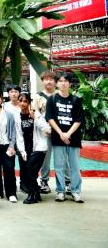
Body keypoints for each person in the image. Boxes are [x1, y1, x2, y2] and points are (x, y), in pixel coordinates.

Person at [46, 73, 85, 203]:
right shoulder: (52, 99)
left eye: (65, 81)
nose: (63, 83)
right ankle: (60, 191)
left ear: (70, 84)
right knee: (59, 166)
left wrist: (68, 134)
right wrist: (61, 133)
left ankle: (75, 191)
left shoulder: (76, 100)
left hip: (74, 138)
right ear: (57, 83)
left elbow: (79, 119)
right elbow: (50, 118)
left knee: (75, 166)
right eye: (61, 81)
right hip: (58, 138)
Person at [15, 92, 50, 205]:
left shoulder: (36, 114)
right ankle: (36, 193)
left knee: (30, 169)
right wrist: (22, 151)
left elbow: (47, 129)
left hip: (39, 148)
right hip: (26, 148)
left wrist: (35, 118)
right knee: (30, 172)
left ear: (29, 102)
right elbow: (19, 136)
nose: (23, 103)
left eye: (25, 101)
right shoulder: (17, 117)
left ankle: (32, 194)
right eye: (21, 101)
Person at [34, 70, 57, 194]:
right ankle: (44, 181)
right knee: (45, 159)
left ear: (55, 81)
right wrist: (45, 128)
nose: (49, 81)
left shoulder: (60, 94)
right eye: (46, 79)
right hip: (45, 132)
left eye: (51, 79)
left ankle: (66, 182)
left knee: (63, 158)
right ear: (42, 81)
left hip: (60, 132)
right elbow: (35, 114)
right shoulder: (38, 96)